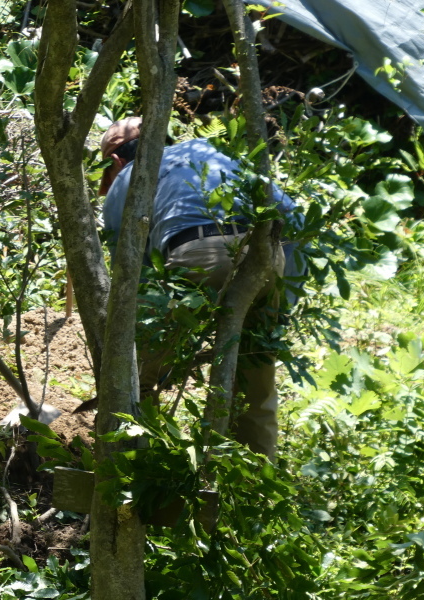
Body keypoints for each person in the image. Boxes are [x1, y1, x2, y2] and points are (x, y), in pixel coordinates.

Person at [99, 117, 300, 460]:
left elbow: (128, 270)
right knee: (255, 376)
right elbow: (291, 215)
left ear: (116, 161)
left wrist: (154, 334)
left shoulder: (131, 177)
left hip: (195, 255)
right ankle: (251, 482)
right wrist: (283, 297)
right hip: (265, 256)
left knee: (137, 374)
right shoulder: (210, 152)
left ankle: (136, 462)